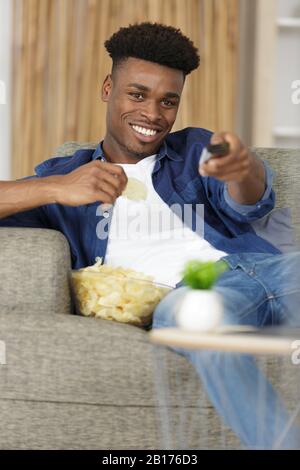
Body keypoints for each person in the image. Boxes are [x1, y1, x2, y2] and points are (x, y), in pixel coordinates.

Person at [0, 22, 299, 449]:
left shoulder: (195, 149)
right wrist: (54, 188)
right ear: (108, 88)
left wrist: (244, 169)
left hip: (269, 269)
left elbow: (247, 201)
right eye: (137, 95)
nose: (153, 114)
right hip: (194, 294)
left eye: (168, 101)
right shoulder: (66, 178)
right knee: (193, 320)